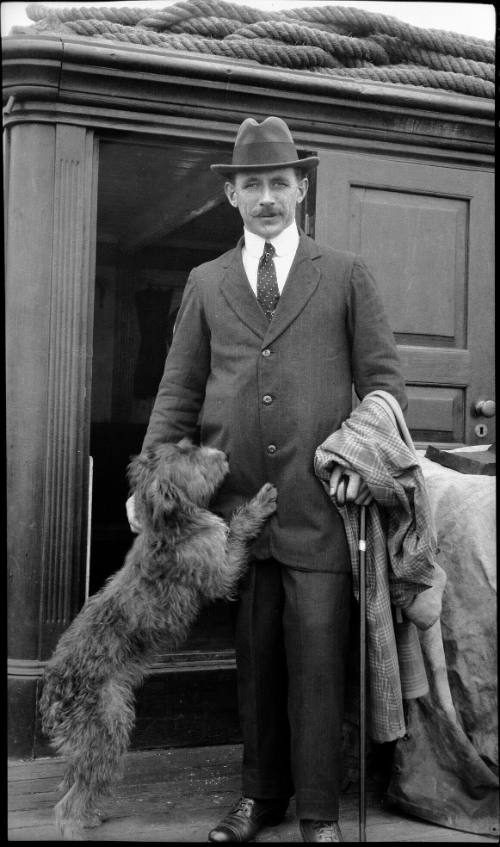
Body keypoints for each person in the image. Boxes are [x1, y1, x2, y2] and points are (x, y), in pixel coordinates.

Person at [126, 116, 407, 843]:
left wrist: (361, 464)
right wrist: (150, 481)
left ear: (301, 188)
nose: (267, 197)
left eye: (279, 182)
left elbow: (384, 389)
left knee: (317, 657)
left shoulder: (345, 273)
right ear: (231, 195)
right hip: (233, 514)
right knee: (255, 660)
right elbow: (177, 393)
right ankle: (260, 797)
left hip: (320, 507)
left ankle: (318, 812)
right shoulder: (206, 282)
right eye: (252, 184)